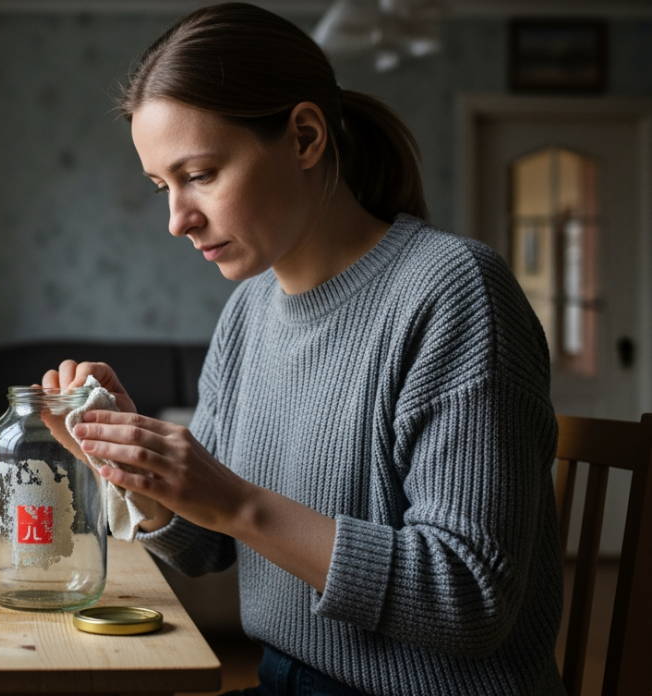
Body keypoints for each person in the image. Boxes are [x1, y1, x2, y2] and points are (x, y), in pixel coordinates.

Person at [43, 4, 564, 695]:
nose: (177, 220)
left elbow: (466, 598)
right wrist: (127, 463)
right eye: (161, 186)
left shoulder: (453, 291)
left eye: (199, 174)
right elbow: (206, 547)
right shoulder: (249, 310)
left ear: (306, 137)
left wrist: (234, 502)